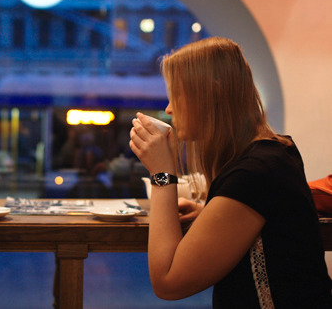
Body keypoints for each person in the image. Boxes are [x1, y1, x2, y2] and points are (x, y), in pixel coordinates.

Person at [129, 36, 332, 307]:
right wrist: (212, 215)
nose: (168, 108)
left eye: (176, 94)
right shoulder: (274, 152)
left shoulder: (255, 172)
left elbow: (168, 282)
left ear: (212, 93)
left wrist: (162, 175)